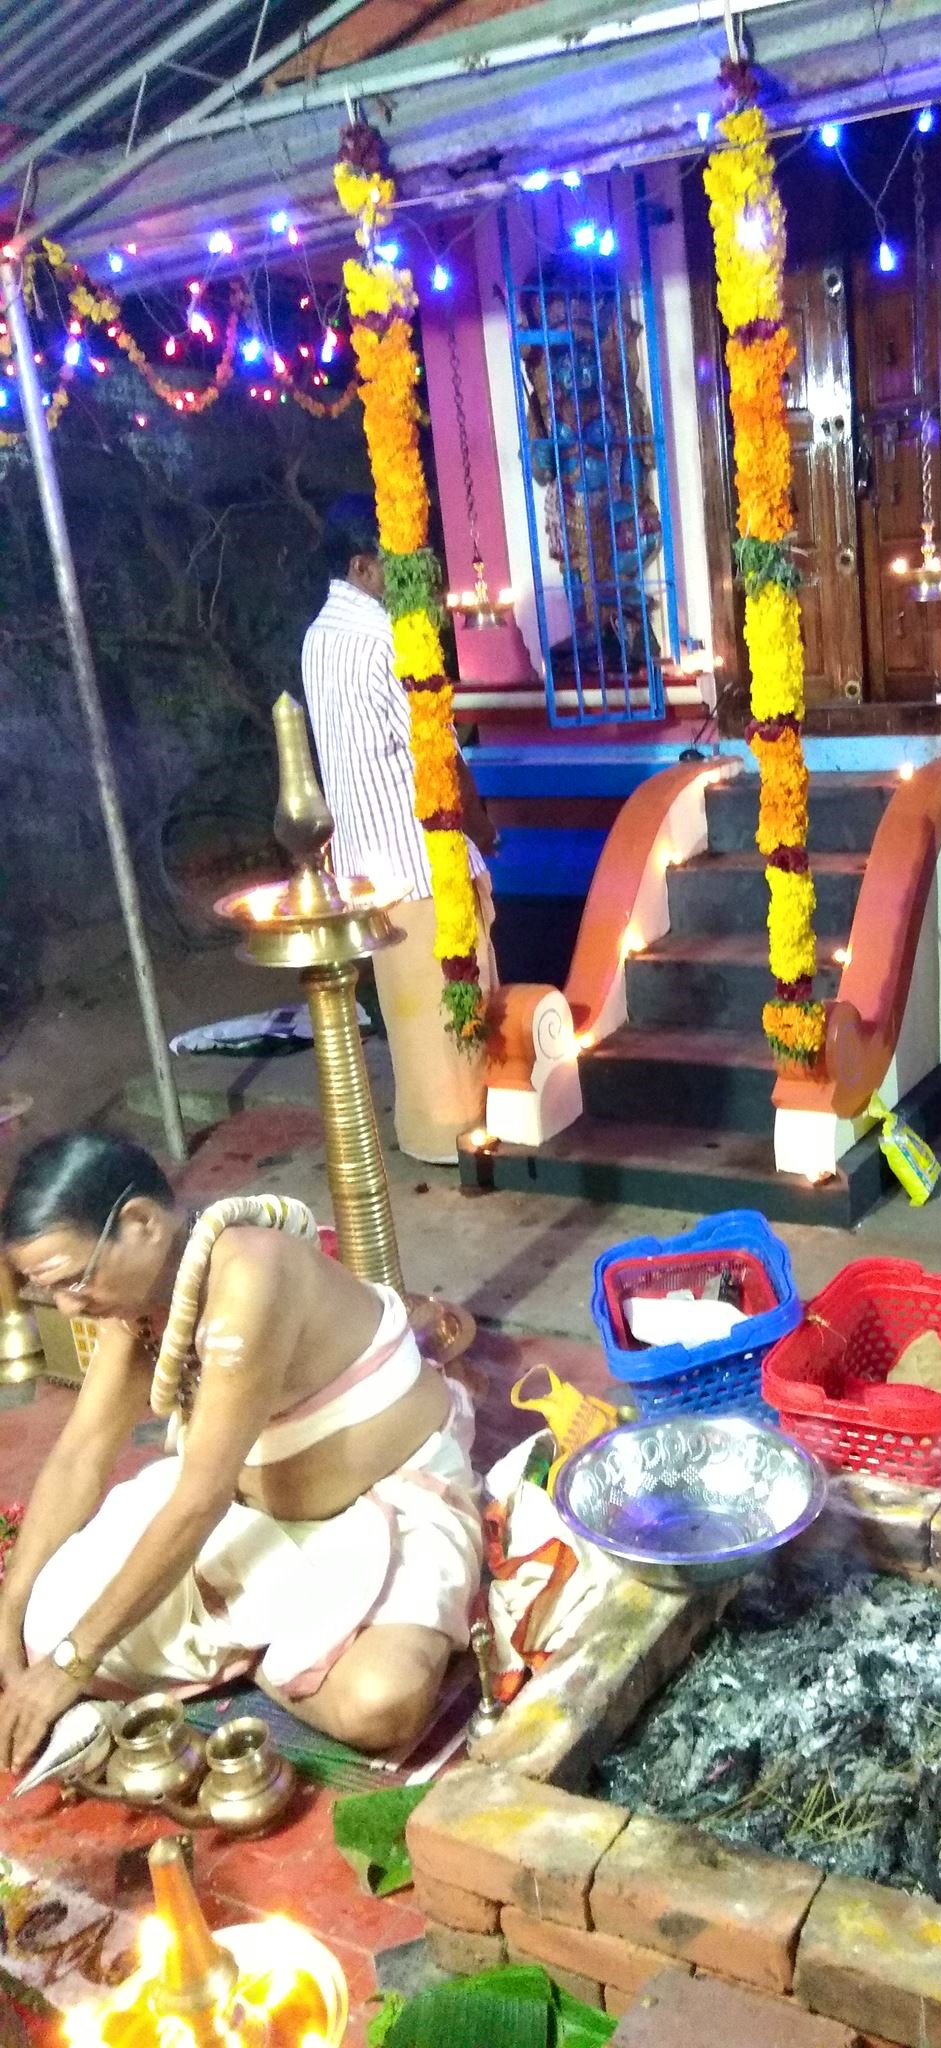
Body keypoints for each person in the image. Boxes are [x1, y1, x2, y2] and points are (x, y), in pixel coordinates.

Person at [0, 1131, 482, 1770]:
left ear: (141, 1223)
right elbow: (79, 1457)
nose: (68, 1307)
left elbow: (198, 1498)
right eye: (48, 1290)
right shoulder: (140, 1308)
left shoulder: (250, 1279)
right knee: (39, 1625)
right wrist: (9, 1603)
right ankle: (273, 1645)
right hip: (248, 1524)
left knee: (380, 1703)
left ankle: (260, 1654)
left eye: (72, 1280)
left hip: (387, 1504)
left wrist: (73, 1663)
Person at [302, 497, 499, 1166]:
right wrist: (480, 825)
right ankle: (467, 1138)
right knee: (454, 1010)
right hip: (421, 859)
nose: (408, 579)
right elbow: (433, 751)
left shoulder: (318, 636)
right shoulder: (384, 640)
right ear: (362, 565)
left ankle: (424, 1133)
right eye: (395, 566)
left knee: (410, 1016)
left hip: (365, 864)